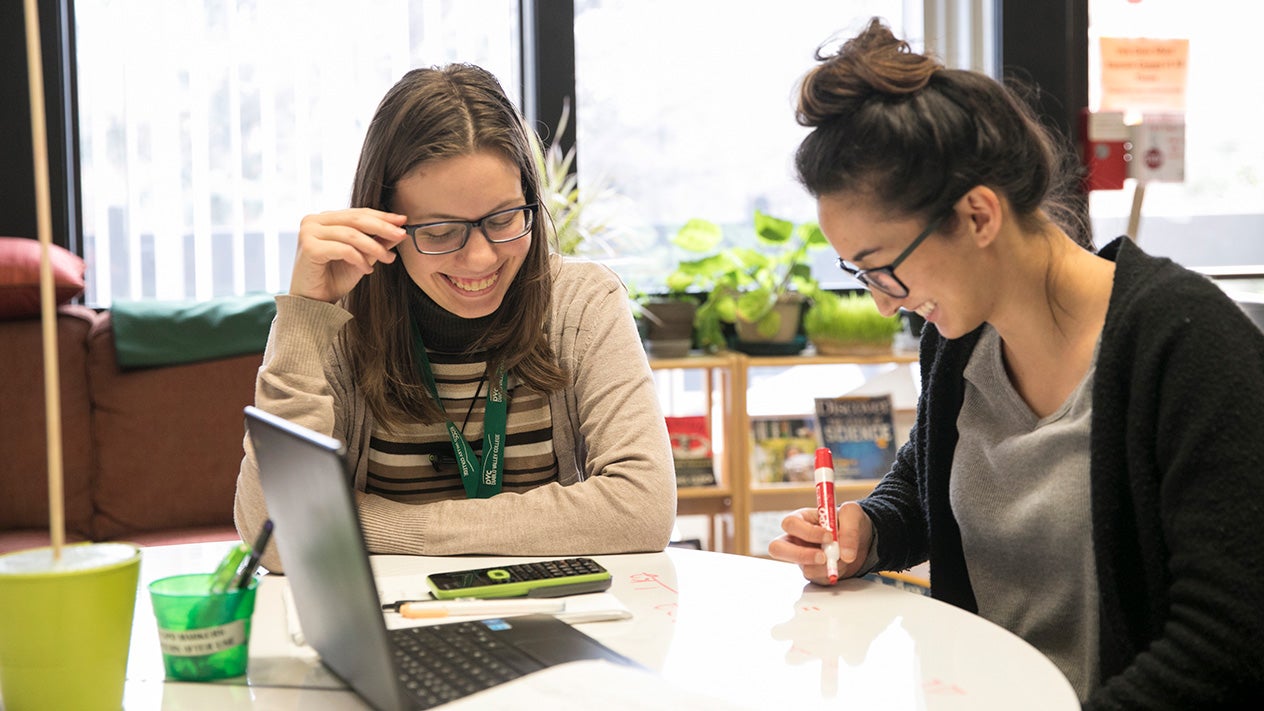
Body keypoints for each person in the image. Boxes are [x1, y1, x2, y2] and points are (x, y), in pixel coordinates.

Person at [768, 18, 1264, 708]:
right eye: (861, 275)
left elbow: (1229, 642)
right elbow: (927, 481)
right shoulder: (961, 337)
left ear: (977, 216)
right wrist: (871, 530)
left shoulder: (1182, 343)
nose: (885, 305)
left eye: (884, 270)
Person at [234, 64, 676, 572]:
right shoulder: (337, 320)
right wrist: (305, 318)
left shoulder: (582, 302)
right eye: (442, 231)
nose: (482, 258)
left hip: (550, 611)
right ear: (386, 223)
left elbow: (642, 509)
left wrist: (368, 523)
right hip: (389, 619)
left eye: (503, 218)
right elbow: (275, 532)